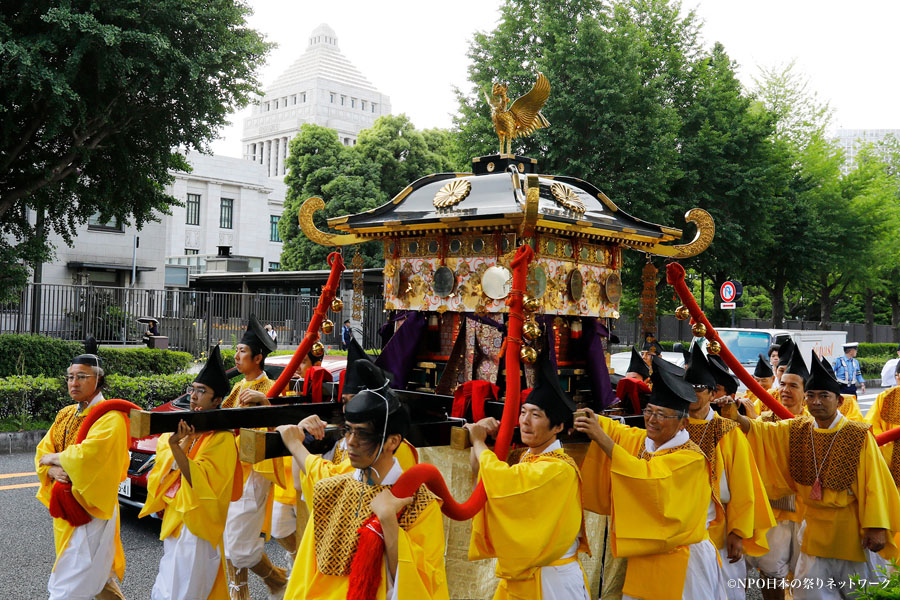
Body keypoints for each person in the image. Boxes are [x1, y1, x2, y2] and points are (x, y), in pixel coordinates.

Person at [723, 351, 900, 599]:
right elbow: (766, 433)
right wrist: (738, 418)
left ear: (839, 401)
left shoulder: (856, 434)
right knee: (811, 593)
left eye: (824, 396)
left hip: (852, 531)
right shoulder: (799, 429)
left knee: (859, 593)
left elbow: (875, 484)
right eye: (812, 396)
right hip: (814, 530)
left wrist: (877, 526)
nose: (816, 401)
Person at [277, 359, 449, 599]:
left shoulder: (420, 506)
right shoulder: (332, 490)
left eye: (363, 434)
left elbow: (420, 585)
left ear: (393, 441)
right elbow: (305, 578)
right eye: (348, 430)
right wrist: (300, 441)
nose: (351, 442)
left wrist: (388, 521)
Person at [576, 355, 724, 600]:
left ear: (683, 423)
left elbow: (648, 479)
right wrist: (585, 418)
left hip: (684, 560)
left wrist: (602, 439)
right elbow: (619, 431)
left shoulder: (691, 458)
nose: (652, 420)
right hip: (647, 555)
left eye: (662, 415)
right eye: (649, 412)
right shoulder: (647, 443)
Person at [466, 348, 590, 599]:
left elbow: (505, 482)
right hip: (525, 576)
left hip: (553, 583)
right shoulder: (530, 457)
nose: (525, 421)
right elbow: (482, 473)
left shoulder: (558, 468)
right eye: (523, 412)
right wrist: (484, 441)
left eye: (536, 415)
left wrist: (478, 443)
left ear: (558, 427)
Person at [139, 345, 240, 599]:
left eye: (202, 392)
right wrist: (181, 443)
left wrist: (177, 446)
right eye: (192, 389)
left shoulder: (222, 439)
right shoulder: (184, 425)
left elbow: (200, 481)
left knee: (185, 590)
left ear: (217, 400)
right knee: (167, 583)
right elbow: (165, 464)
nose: (194, 396)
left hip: (198, 525)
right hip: (176, 518)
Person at [34, 340, 130, 600]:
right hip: (65, 507)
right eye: (70, 377)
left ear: (98, 380)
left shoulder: (110, 417)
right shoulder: (66, 413)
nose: (73, 383)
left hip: (91, 508)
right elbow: (43, 451)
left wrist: (55, 458)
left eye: (81, 377)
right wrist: (52, 470)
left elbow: (90, 456)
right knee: (96, 579)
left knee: (68, 586)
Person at [682, 345, 774, 599]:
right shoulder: (674, 428)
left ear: (712, 393)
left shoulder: (728, 430)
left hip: (718, 528)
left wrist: (738, 532)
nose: (693, 394)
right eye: (687, 388)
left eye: (699, 388)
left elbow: (744, 486)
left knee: (727, 590)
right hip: (681, 530)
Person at [220, 314, 290, 600]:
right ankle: (244, 593)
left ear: (258, 358)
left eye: (243, 351)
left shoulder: (273, 387)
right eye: (236, 350)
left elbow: (284, 424)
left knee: (238, 544)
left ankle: (278, 578)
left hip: (256, 472)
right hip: (230, 467)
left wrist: (265, 402)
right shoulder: (237, 387)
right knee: (229, 538)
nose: (236, 355)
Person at [738, 352, 809, 600]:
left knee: (807, 579)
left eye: (793, 385)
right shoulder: (763, 420)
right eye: (783, 384)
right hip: (773, 514)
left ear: (805, 393)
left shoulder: (813, 424)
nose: (785, 390)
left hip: (805, 514)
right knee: (770, 574)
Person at [866, 361, 900, 435]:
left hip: (887, 444)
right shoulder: (886, 397)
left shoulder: (885, 396)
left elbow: (871, 426)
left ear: (897, 377)